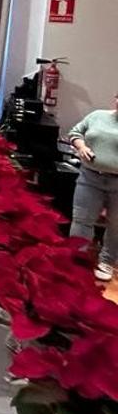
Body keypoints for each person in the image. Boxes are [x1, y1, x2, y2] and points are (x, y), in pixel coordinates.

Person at [66, 91, 118, 282]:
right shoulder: (97, 116)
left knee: (116, 225)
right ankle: (76, 260)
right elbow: (75, 132)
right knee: (81, 220)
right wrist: (81, 147)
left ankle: (107, 261)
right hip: (90, 177)